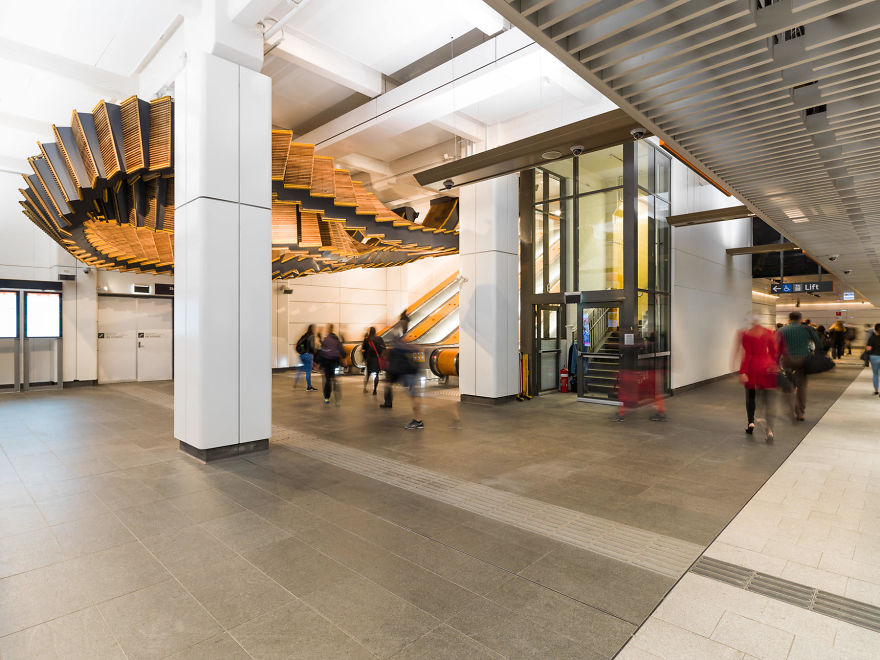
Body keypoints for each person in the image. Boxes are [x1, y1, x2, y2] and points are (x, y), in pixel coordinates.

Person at [734, 315, 778, 442]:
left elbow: (746, 353)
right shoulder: (768, 332)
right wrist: (774, 364)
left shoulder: (746, 334)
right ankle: (769, 429)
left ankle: (751, 422)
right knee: (768, 400)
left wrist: (743, 371)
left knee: (750, 396)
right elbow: (774, 351)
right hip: (766, 367)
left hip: (751, 366)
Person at [380, 311, 424, 429]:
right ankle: (418, 420)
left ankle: (418, 420)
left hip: (407, 368)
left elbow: (401, 346)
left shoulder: (399, 331)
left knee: (413, 395)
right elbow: (400, 346)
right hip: (407, 367)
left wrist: (413, 348)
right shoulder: (402, 331)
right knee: (413, 394)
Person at [777, 311, 814, 421]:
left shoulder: (782, 330)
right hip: (803, 360)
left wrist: (775, 361)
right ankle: (800, 413)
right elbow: (818, 343)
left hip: (787, 360)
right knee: (802, 386)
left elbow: (776, 347)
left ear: (789, 319)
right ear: (800, 319)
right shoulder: (807, 329)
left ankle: (791, 408)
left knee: (788, 385)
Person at [317, 324, 344, 404]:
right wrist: (343, 358)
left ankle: (326, 398)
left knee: (327, 380)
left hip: (326, 362)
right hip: (334, 362)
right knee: (334, 377)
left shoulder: (326, 340)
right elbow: (341, 350)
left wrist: (318, 363)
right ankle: (336, 397)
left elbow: (321, 351)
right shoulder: (336, 339)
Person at [293, 325, 318, 391]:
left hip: (302, 355)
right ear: (313, 329)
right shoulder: (312, 336)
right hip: (308, 355)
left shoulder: (304, 335)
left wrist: (303, 350)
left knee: (301, 368)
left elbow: (300, 343)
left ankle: (295, 382)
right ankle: (309, 387)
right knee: (308, 372)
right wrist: (314, 353)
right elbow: (312, 347)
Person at [361, 327, 385, 395]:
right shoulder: (379, 339)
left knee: (368, 375)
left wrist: (365, 358)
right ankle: (374, 390)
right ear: (375, 332)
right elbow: (384, 348)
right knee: (377, 375)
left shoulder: (366, 340)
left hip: (369, 359)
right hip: (377, 359)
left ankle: (365, 388)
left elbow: (363, 350)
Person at [865, 323, 880, 395]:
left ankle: (876, 390)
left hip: (874, 357)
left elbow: (868, 348)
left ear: (875, 329)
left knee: (875, 374)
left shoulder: (872, 337)